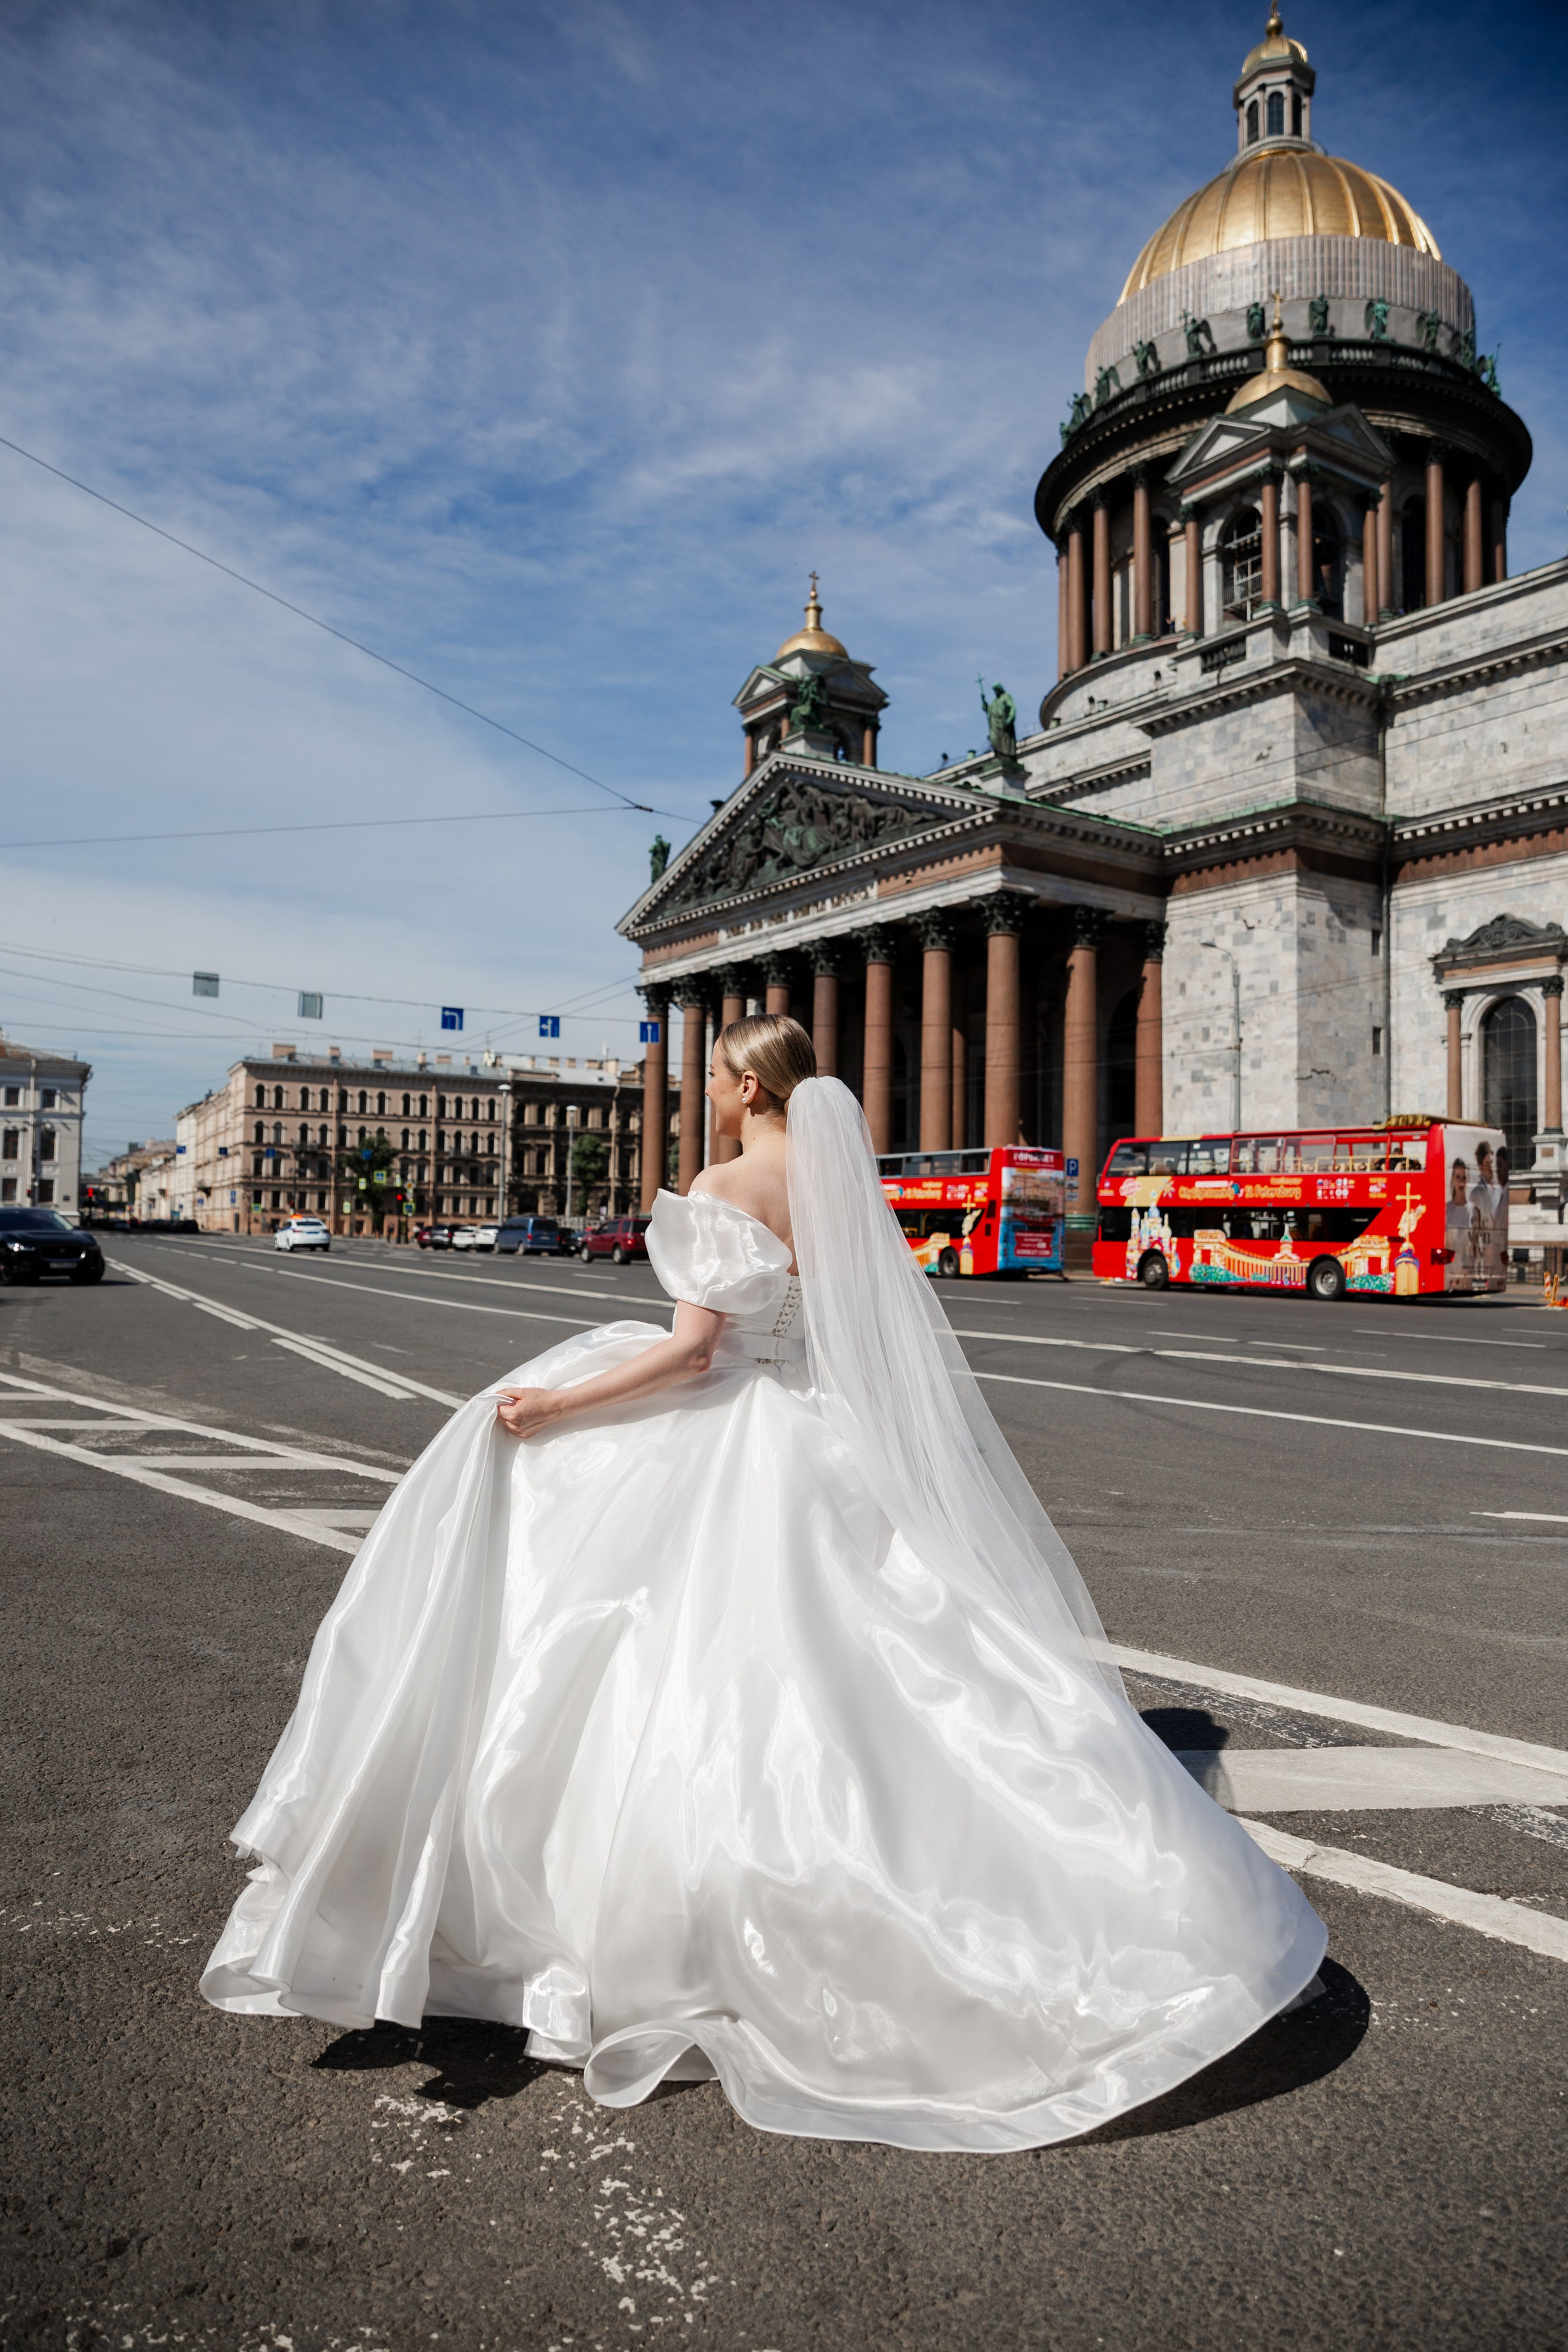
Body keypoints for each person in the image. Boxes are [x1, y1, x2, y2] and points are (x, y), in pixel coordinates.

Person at [203, 1017, 1324, 2152]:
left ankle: (595, 1932)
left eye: (715, 1078)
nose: (707, 1095)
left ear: (746, 1083)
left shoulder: (726, 1180)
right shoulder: (836, 1181)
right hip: (816, 1434)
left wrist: (557, 1407)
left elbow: (694, 1352)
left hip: (725, 1430)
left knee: (630, 1653)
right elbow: (842, 1339)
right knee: (882, 1673)